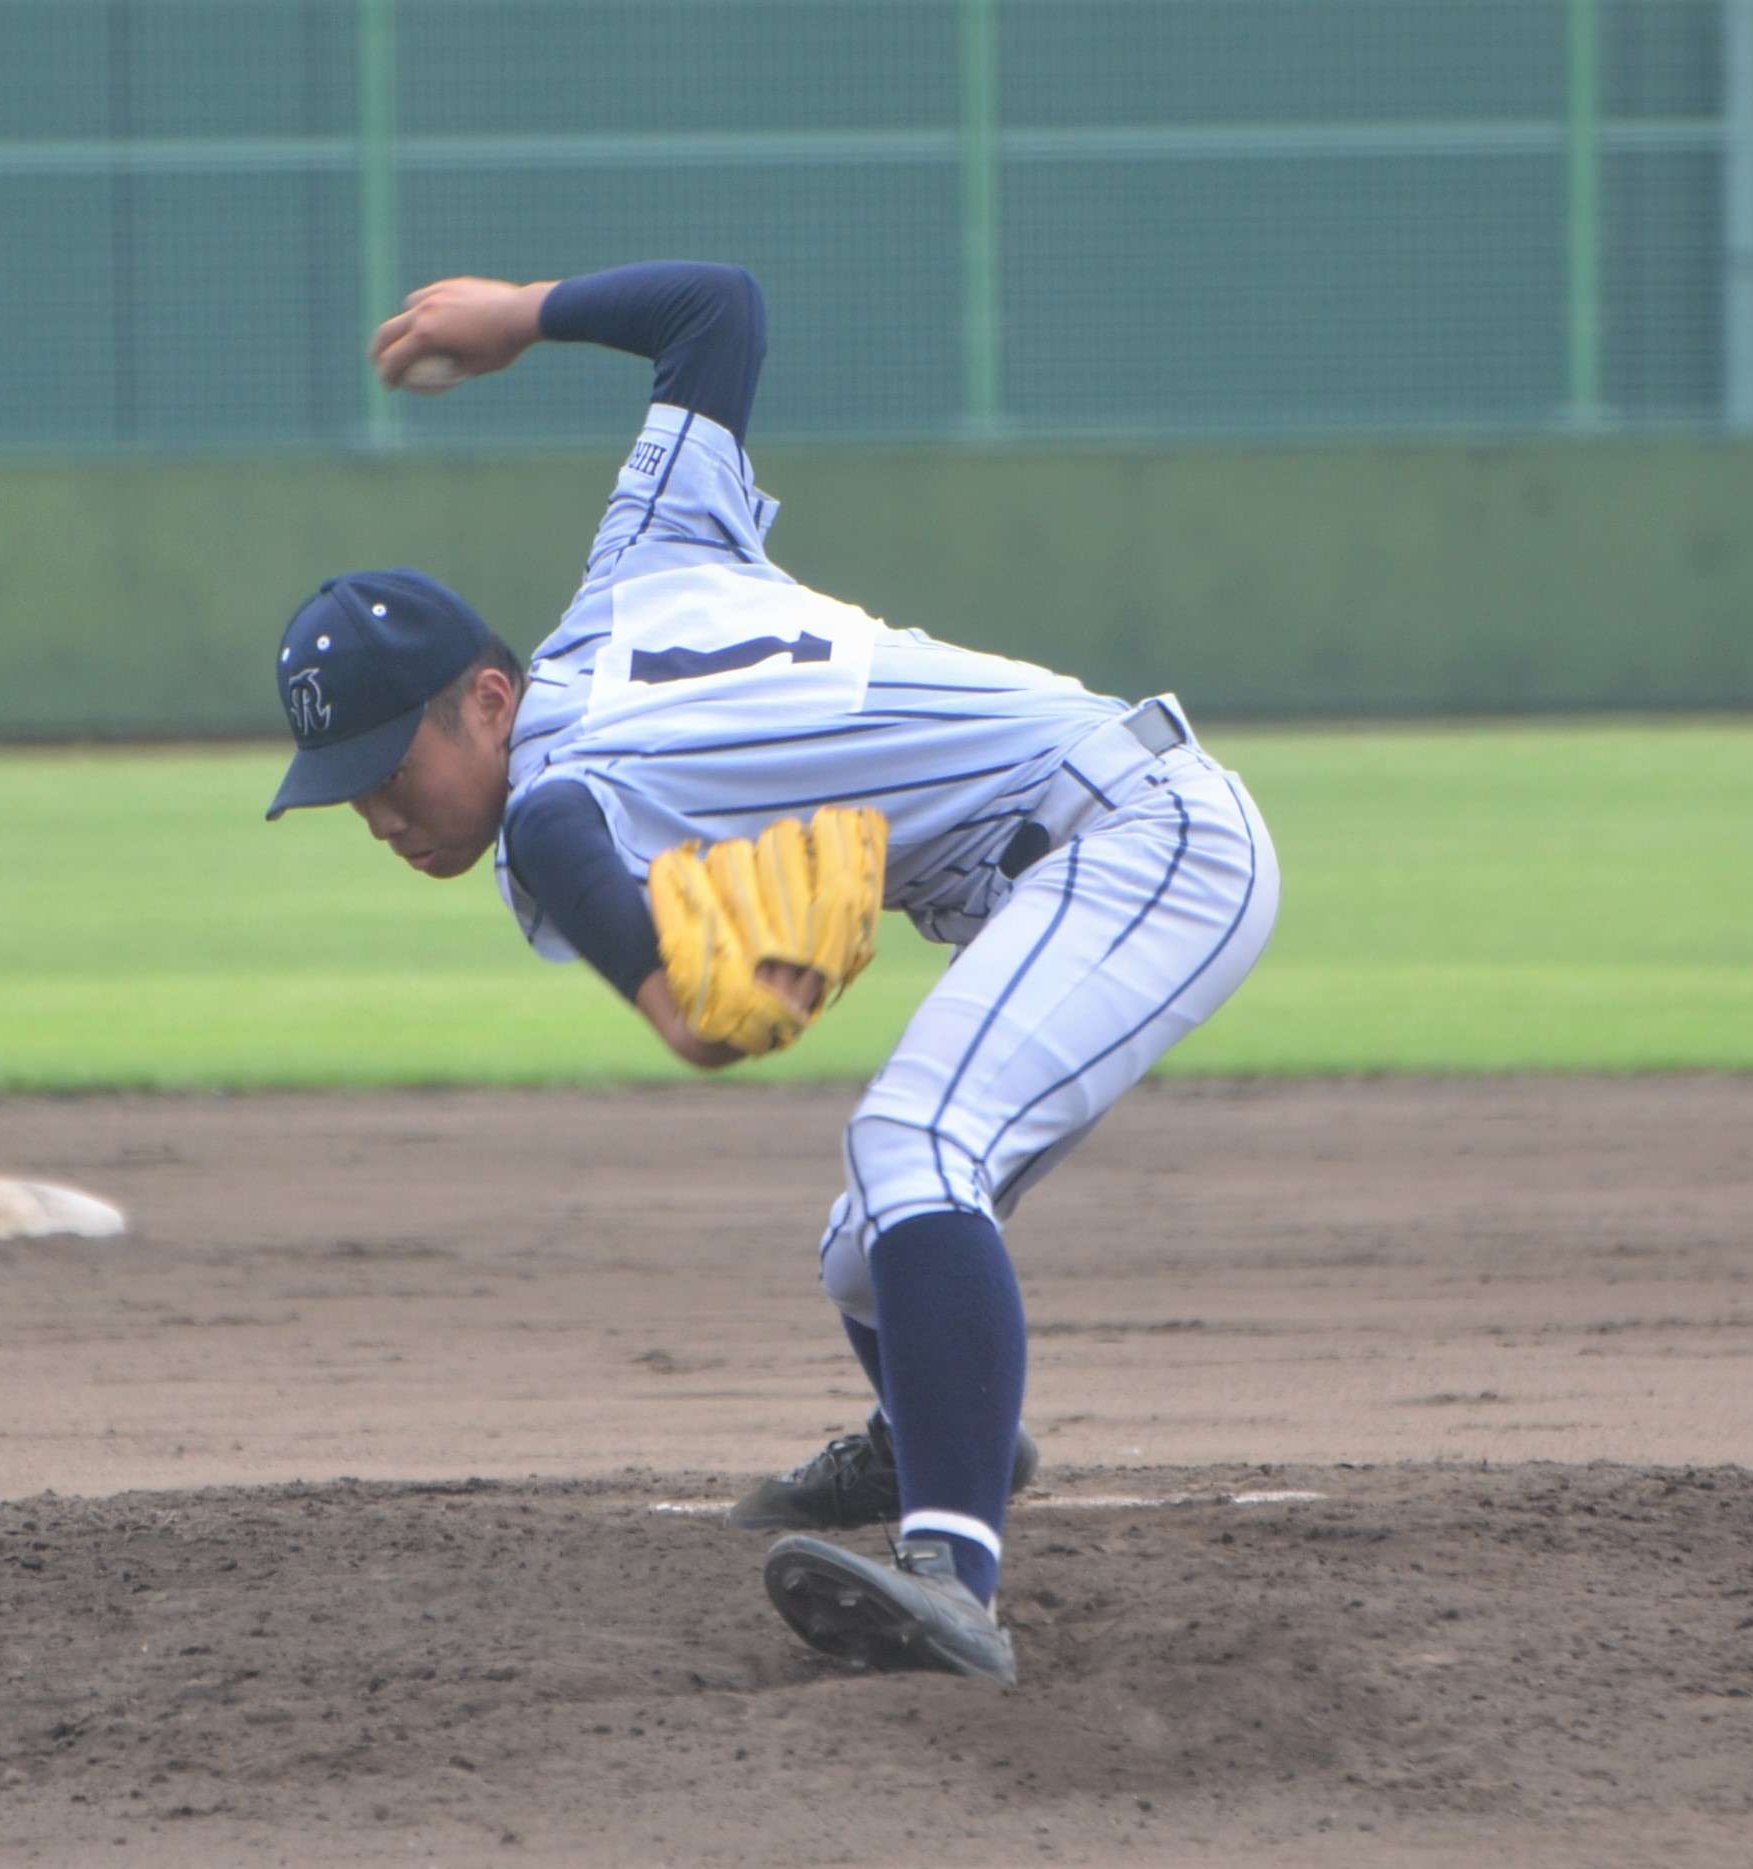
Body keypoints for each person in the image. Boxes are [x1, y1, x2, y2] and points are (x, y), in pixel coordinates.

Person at [265, 262, 1280, 1683]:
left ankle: (952, 1577)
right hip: (1076, 852)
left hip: (1139, 838)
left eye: (388, 764)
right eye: (343, 789)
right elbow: (714, 313)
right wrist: (519, 311)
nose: (375, 811)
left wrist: (682, 1009)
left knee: (915, 1139)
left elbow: (558, 825)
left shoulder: (563, 774)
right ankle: (939, 1426)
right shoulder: (642, 556)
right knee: (867, 1243)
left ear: (487, 697)